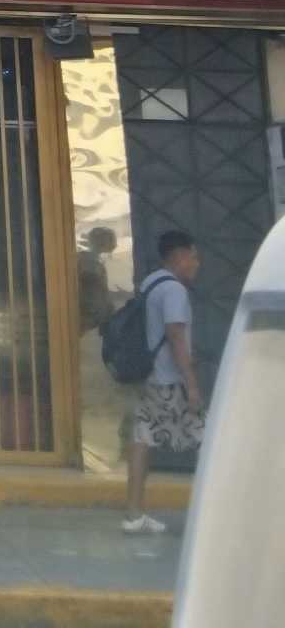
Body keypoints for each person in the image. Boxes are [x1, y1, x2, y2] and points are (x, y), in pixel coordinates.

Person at [124, 227, 204, 535]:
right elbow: (175, 336)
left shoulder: (150, 283)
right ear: (180, 257)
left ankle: (133, 513)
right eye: (194, 257)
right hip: (170, 382)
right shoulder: (173, 291)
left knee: (142, 439)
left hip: (150, 379)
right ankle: (214, 512)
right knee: (209, 440)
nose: (196, 264)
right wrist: (191, 384)